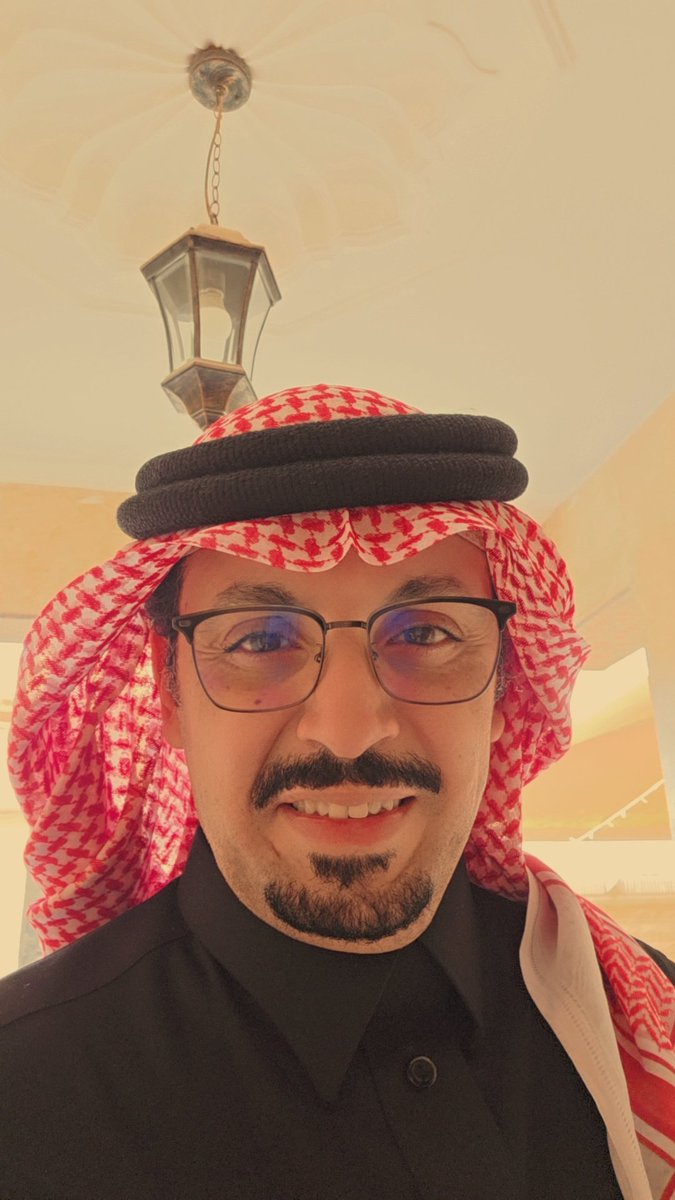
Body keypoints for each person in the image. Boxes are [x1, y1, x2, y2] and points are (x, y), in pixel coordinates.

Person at [0, 383, 673, 1200]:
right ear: (170, 694)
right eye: (259, 640)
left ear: (504, 682)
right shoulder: (25, 1096)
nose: (349, 731)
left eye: (425, 632)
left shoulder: (637, 1018)